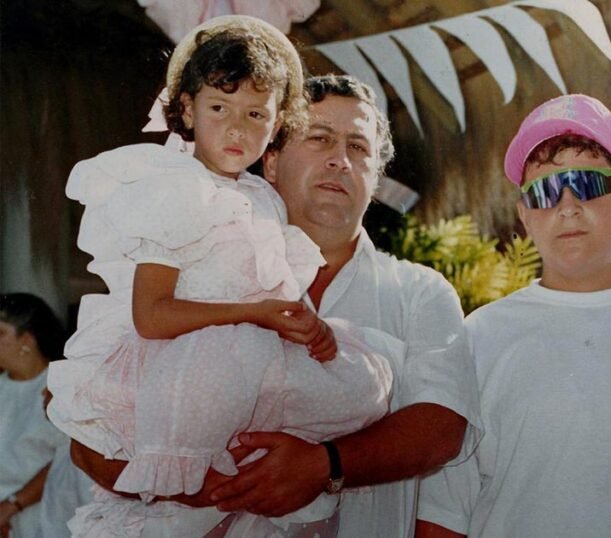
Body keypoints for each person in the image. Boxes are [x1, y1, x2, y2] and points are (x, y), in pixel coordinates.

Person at [71, 74, 483, 538]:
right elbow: (87, 444)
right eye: (320, 138)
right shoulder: (194, 268)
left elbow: (441, 429)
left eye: (358, 148)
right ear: (270, 160)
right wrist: (203, 487)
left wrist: (323, 465)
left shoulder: (420, 292)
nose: (339, 160)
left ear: (376, 177)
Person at [47, 16, 394, 536]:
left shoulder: (261, 200)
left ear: (277, 125)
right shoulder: (176, 190)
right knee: (185, 496)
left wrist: (307, 325)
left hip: (248, 362)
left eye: (256, 114)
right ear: (187, 109)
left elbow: (275, 290)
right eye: (219, 108)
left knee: (366, 382)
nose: (237, 129)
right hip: (182, 365)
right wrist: (254, 315)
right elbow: (152, 316)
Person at [413, 94, 611, 537]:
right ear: (525, 216)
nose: (567, 206)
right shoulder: (478, 337)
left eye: (587, 183)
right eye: (545, 191)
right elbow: (443, 513)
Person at [0, 293, 69, 538]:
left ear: (26, 339)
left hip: (45, 515)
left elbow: (67, 459)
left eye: (0, 334)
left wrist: (11, 505)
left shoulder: (59, 387)